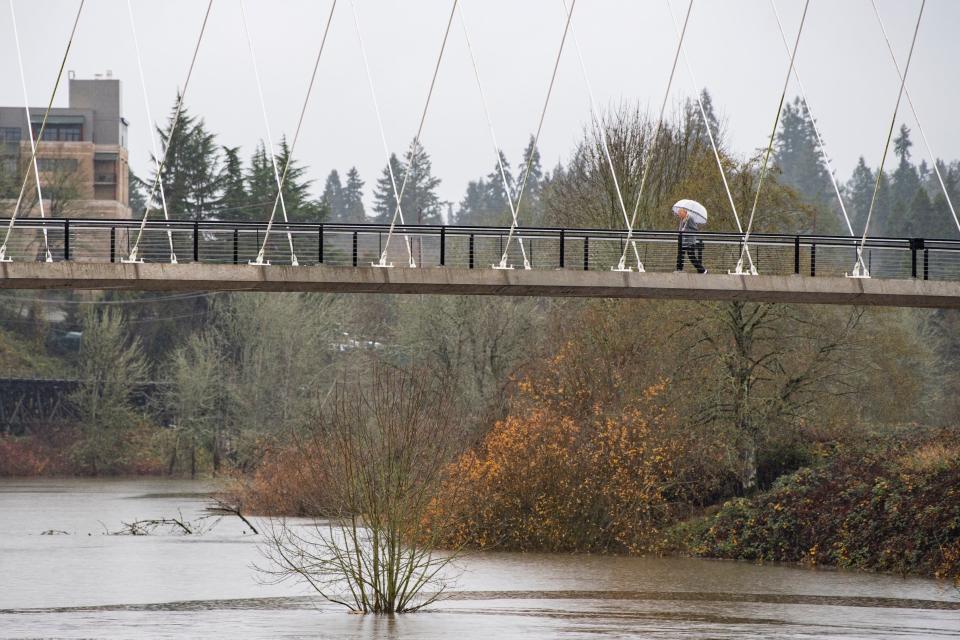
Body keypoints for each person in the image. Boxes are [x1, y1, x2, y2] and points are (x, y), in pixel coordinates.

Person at [674, 200, 707, 274]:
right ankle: (679, 269)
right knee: (680, 255)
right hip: (682, 239)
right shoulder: (682, 219)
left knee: (691, 256)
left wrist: (685, 230)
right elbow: (680, 229)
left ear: (684, 212)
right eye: (678, 213)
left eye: (680, 213)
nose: (679, 214)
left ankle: (702, 270)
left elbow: (695, 229)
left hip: (689, 240)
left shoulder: (690, 218)